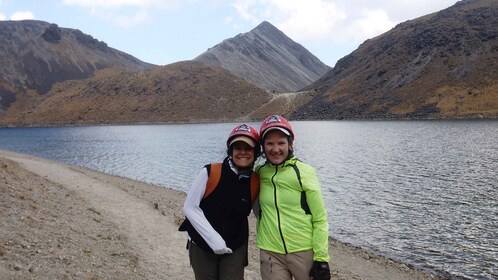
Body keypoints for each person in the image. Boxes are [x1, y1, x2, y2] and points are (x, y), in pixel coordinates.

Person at [179, 123, 261, 280]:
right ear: (231, 151)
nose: (242, 152)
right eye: (237, 147)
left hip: (235, 245)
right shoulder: (211, 172)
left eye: (248, 148)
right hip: (201, 245)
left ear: (255, 152)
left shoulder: (255, 180)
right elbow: (190, 207)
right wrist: (214, 240)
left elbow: (260, 212)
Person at [255, 115, 331, 280]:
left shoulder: (304, 171)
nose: (275, 149)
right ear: (263, 146)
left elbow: (320, 218)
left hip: (303, 251)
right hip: (270, 252)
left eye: (281, 142)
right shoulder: (259, 172)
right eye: (269, 143)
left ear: (290, 144)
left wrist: (321, 258)